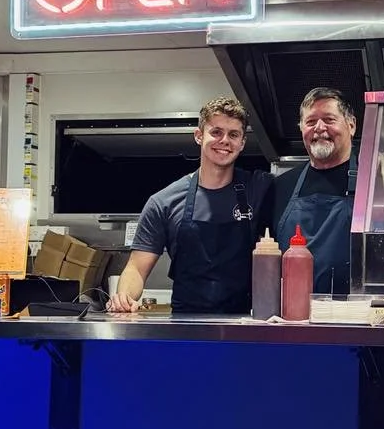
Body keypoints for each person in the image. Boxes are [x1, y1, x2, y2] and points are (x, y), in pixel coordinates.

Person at [107, 97, 272, 314]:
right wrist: (124, 300)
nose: (225, 140)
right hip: (186, 326)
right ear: (198, 135)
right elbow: (137, 267)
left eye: (233, 134)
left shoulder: (258, 188)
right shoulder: (163, 202)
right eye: (216, 132)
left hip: (244, 324)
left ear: (242, 143)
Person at [271, 87, 384, 295]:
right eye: (310, 122)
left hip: (361, 315)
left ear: (351, 125)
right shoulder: (282, 185)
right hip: (294, 317)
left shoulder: (380, 179)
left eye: (329, 119)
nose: (319, 128)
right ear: (301, 129)